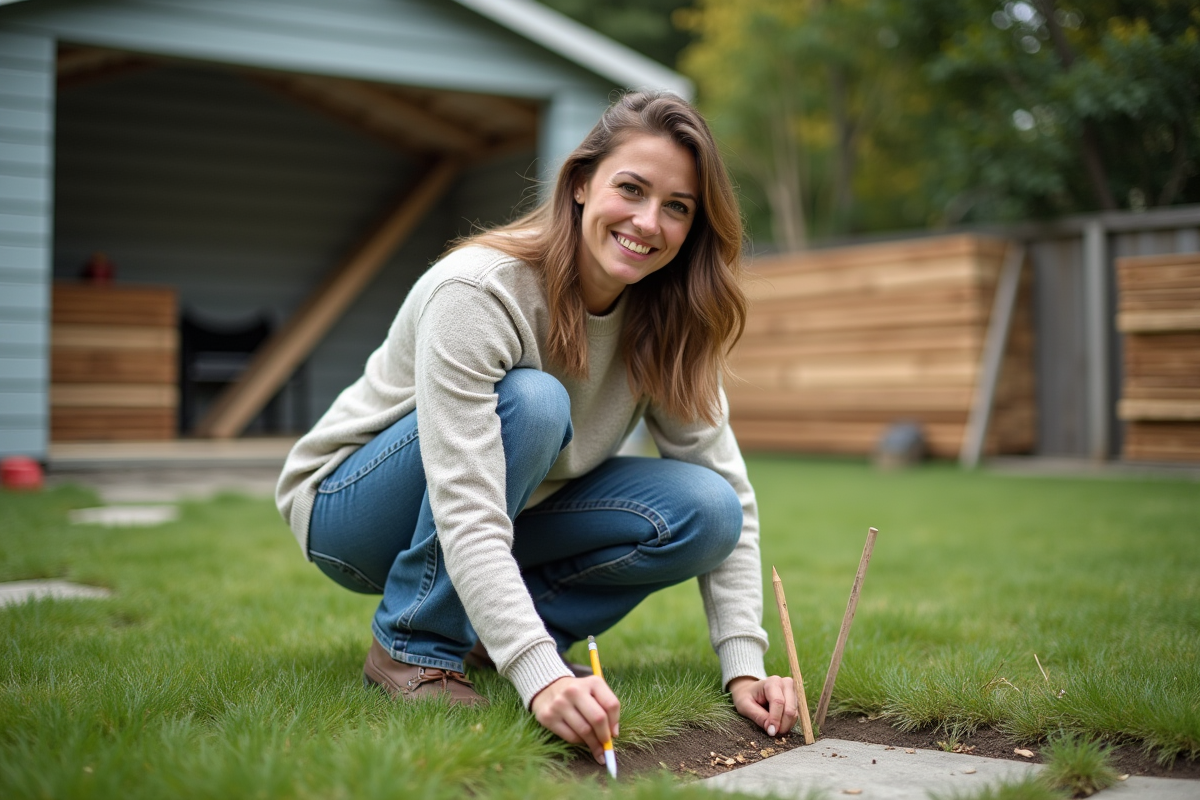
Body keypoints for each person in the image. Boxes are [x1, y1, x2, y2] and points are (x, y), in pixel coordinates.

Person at [276, 91, 799, 768]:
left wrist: (744, 667)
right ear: (581, 184)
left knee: (708, 509)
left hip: (511, 507)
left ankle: (488, 641)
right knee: (534, 403)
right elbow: (463, 498)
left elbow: (728, 483)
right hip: (350, 512)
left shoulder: (672, 322)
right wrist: (544, 676)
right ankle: (412, 646)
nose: (648, 222)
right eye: (632, 189)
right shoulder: (481, 289)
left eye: (677, 206)